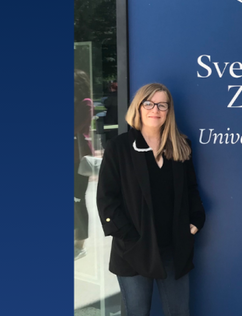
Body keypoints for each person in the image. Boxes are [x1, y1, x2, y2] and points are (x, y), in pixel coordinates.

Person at [97, 83, 206, 316]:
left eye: (162, 105)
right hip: (133, 248)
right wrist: (129, 235)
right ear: (139, 107)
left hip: (173, 247)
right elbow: (106, 199)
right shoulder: (119, 147)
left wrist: (197, 219)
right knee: (136, 312)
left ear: (168, 111)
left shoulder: (180, 145)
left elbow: (191, 188)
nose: (155, 109)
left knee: (179, 312)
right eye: (149, 103)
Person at [74, 69, 94, 260]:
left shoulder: (85, 104)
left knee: (77, 199)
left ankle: (80, 244)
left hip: (79, 160)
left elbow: (75, 126)